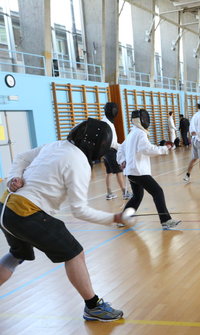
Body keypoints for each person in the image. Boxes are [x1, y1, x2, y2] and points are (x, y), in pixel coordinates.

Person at [0, 118, 126, 322]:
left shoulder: (55, 145)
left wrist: (13, 177)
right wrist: (113, 217)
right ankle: (93, 306)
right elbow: (79, 210)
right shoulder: (79, 163)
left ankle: (93, 306)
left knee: (16, 255)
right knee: (74, 253)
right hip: (26, 212)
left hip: (5, 206)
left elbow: (22, 157)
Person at [117, 109, 181, 229]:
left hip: (131, 172)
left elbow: (121, 149)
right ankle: (166, 220)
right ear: (141, 120)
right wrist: (164, 148)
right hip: (138, 172)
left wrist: (122, 160)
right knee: (157, 192)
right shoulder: (140, 134)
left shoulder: (132, 133)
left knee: (137, 196)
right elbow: (147, 149)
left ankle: (122, 219)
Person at [102, 102, 132, 200]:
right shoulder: (108, 124)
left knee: (109, 172)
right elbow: (112, 142)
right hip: (111, 151)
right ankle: (125, 192)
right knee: (119, 171)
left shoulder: (104, 121)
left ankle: (109, 192)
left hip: (105, 151)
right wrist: (122, 147)